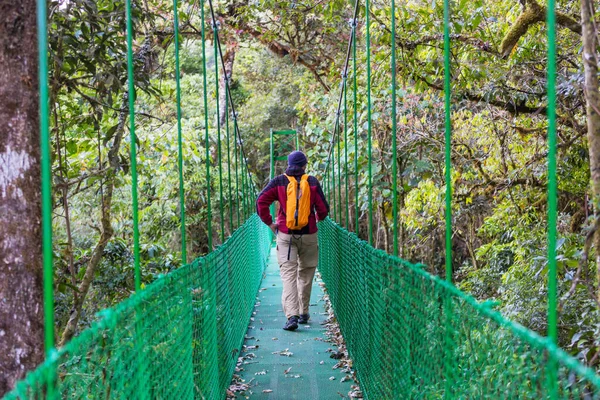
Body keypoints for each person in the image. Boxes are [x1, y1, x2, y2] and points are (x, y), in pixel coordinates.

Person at [256, 151, 330, 331]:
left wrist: (270, 223)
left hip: (286, 236)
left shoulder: (279, 181)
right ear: (305, 165)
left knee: (289, 275)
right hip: (309, 235)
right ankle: (304, 312)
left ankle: (292, 316)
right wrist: (318, 218)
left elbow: (260, 201)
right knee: (306, 273)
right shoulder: (312, 182)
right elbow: (324, 209)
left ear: (288, 165)